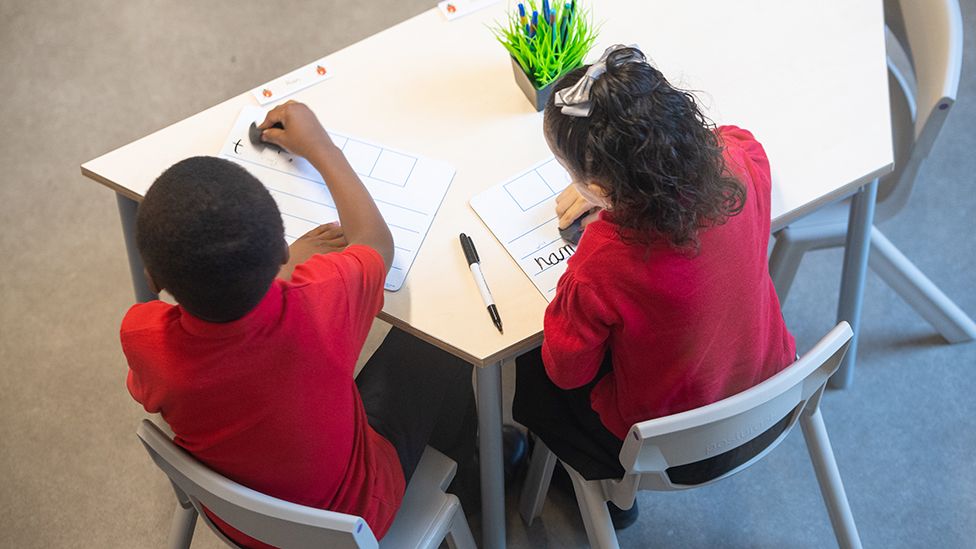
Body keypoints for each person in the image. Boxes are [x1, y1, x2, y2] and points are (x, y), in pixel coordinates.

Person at [122, 101, 476, 547]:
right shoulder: (316, 303)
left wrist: (281, 276)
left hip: (236, 519)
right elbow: (375, 244)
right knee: (444, 339)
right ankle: (476, 465)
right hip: (358, 513)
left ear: (153, 278)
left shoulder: (141, 335)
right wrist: (320, 146)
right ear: (284, 252)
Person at [513, 46, 797, 528]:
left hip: (672, 449)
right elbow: (739, 139)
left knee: (529, 370)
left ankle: (608, 501)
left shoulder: (604, 257)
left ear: (598, 189)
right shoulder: (736, 164)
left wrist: (608, 212)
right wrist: (647, 174)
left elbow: (567, 370)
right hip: (774, 397)